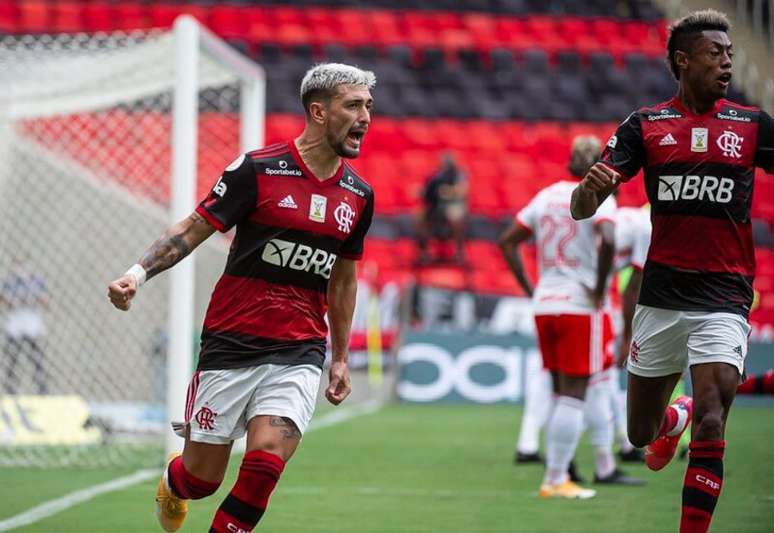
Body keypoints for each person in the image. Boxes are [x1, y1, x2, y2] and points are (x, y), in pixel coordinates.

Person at [107, 63, 375, 533]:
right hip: (232, 344)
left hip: (299, 349)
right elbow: (192, 229)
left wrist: (340, 357)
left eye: (368, 106)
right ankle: (174, 481)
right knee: (201, 481)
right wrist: (137, 273)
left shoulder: (359, 196)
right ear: (318, 111)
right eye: (353, 105)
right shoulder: (259, 169)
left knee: (266, 460)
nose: (366, 117)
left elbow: (344, 280)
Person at [570, 10, 774, 532]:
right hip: (660, 298)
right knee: (641, 433)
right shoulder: (645, 124)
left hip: (725, 296)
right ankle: (671, 418)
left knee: (713, 416)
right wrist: (589, 191)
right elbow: (580, 208)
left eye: (729, 53)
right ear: (683, 61)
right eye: (714, 53)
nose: (727, 61)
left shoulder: (750, 125)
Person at [499, 135, 641, 499]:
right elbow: (608, 238)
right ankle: (557, 477)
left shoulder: (545, 195)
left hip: (546, 303)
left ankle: (561, 471)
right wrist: (598, 286)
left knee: (562, 392)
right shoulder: (598, 196)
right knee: (580, 393)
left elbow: (507, 241)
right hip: (580, 305)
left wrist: (532, 289)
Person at [1, 259, 48, 394]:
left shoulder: (36, 282)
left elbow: (45, 302)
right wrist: (14, 299)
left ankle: (42, 389)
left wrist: (31, 296)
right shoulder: (9, 283)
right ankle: (11, 389)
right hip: (15, 325)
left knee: (36, 359)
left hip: (32, 324)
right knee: (12, 359)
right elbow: (3, 300)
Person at [416, 152, 468, 263]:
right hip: (436, 206)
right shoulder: (436, 175)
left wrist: (447, 191)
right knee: (419, 217)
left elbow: (462, 190)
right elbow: (428, 190)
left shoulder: (458, 174)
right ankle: (423, 252)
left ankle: (459, 252)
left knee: (455, 217)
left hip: (453, 205)